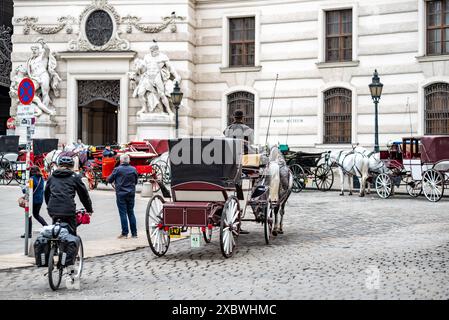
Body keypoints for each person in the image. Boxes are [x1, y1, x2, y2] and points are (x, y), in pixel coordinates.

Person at [224, 110, 254, 234]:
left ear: (233, 117)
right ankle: (238, 217)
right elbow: (250, 146)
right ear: (243, 118)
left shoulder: (227, 129)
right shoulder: (247, 130)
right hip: (241, 163)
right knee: (240, 187)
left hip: (227, 163)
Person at [44, 156, 93, 235]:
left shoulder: (52, 177)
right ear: (72, 166)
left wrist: (49, 205)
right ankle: (71, 245)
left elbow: (46, 193)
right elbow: (83, 195)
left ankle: (53, 245)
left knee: (55, 232)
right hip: (68, 209)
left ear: (59, 165)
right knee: (71, 232)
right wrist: (89, 209)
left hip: (53, 210)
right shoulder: (75, 177)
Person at [107, 154, 139, 239]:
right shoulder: (133, 169)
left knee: (123, 214)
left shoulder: (117, 169)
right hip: (131, 193)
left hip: (121, 194)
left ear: (121, 161)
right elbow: (136, 181)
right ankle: (134, 233)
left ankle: (125, 233)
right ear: (129, 161)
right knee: (131, 213)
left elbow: (109, 179)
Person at [21, 166, 47, 238]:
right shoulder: (41, 178)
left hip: (33, 200)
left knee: (28, 216)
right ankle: (46, 226)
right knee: (36, 215)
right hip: (40, 200)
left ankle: (28, 233)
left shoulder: (32, 179)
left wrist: (23, 188)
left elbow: (26, 190)